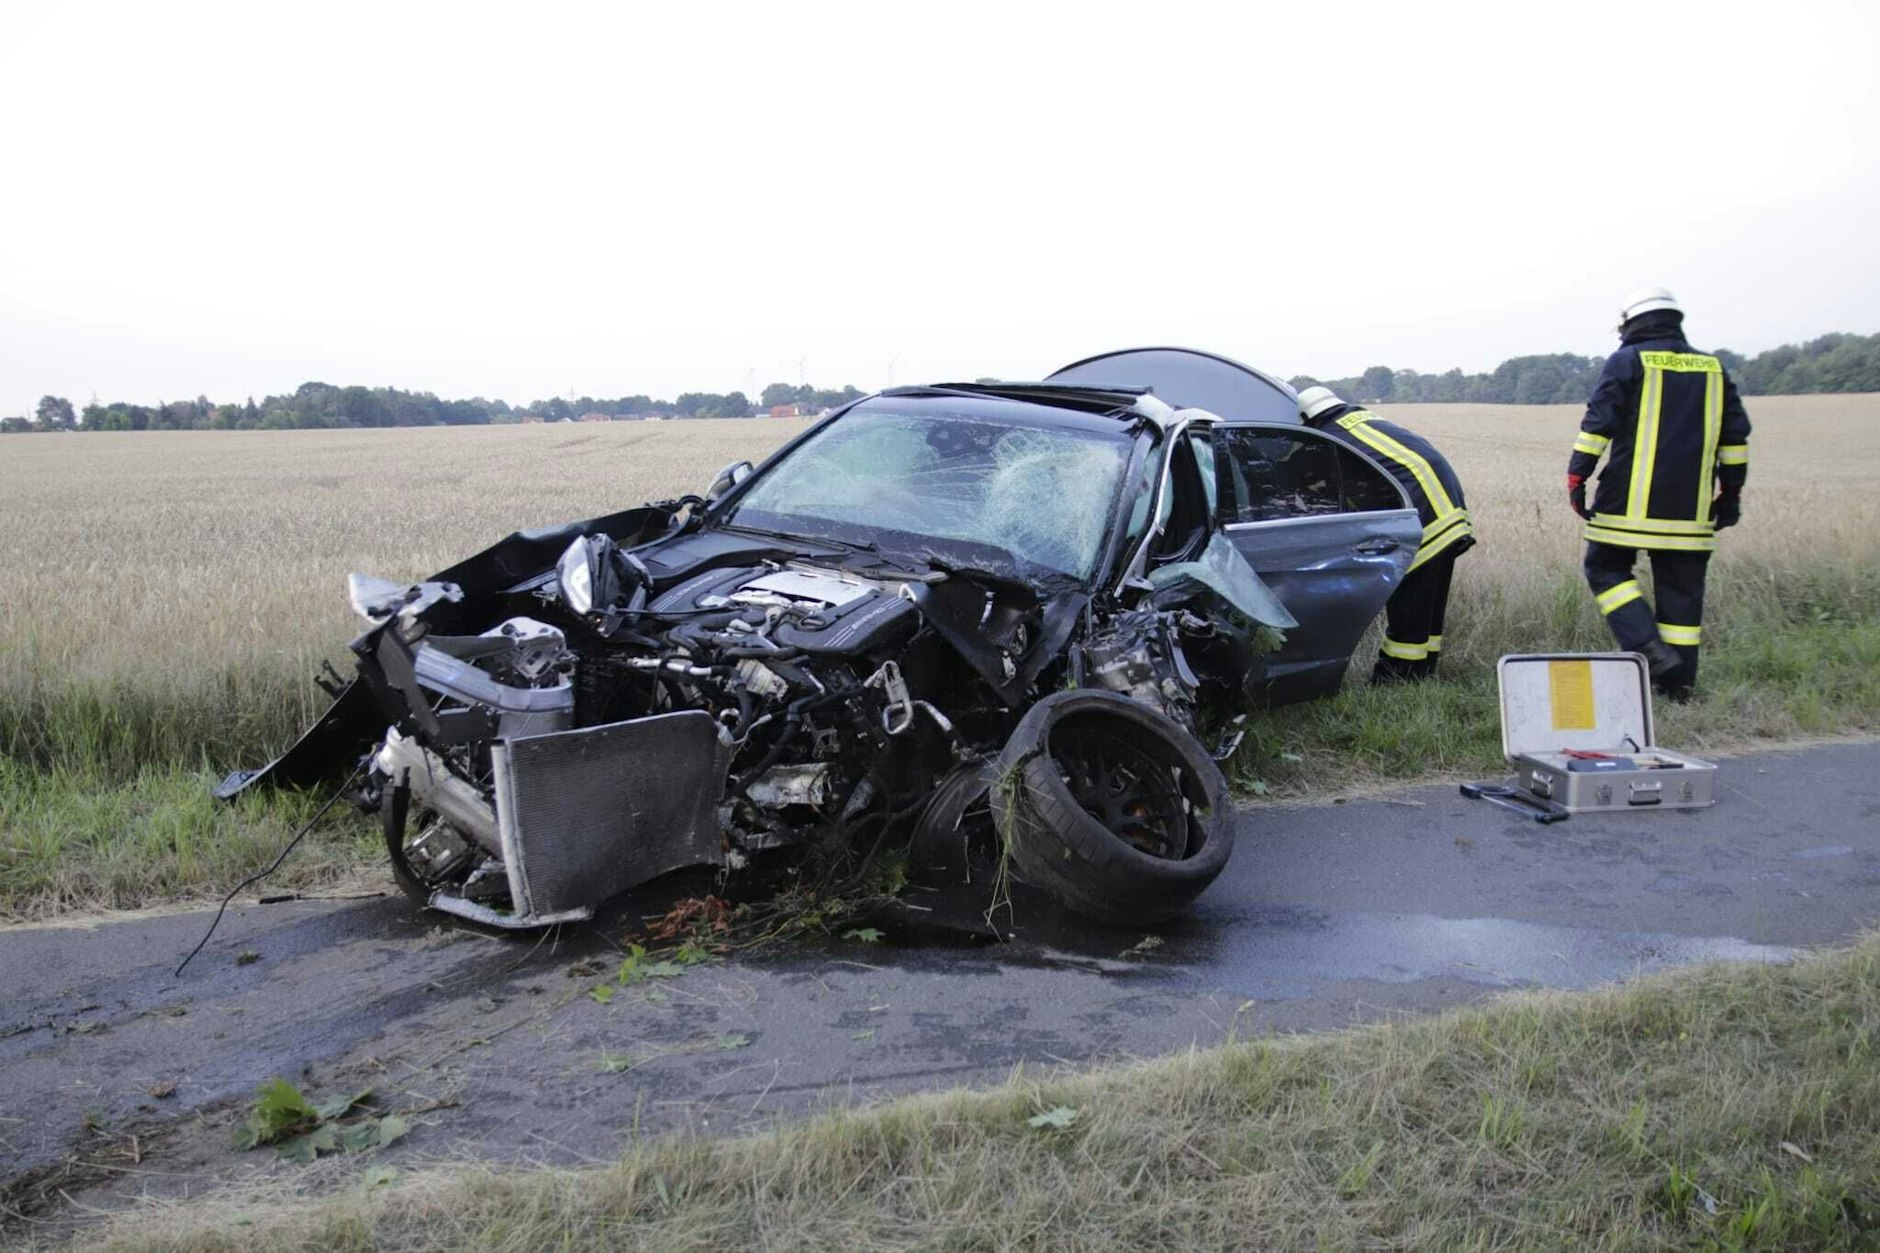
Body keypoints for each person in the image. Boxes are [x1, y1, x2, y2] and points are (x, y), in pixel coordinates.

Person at [1568, 287, 1751, 699]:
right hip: (1691, 511)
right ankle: (1679, 688)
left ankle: (1647, 648)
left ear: (1632, 323)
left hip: (1626, 507)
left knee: (1604, 569)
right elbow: (1735, 439)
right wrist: (1731, 496)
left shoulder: (1627, 361)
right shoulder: (1714, 368)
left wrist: (1577, 477)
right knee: (1682, 600)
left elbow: (1598, 424)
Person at [1297, 385, 1474, 681]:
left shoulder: (1331, 437)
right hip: (1449, 511)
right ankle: (1421, 673)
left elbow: (1321, 484)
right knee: (1427, 607)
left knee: (1408, 608)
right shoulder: (1361, 420)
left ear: (1307, 416)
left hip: (1423, 517)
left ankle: (1394, 679)